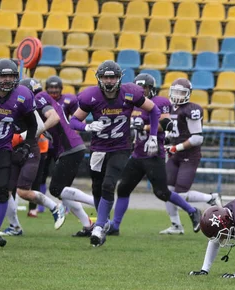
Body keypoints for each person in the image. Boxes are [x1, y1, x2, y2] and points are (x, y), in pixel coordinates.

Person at [69, 60, 161, 247]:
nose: (109, 81)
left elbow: (154, 110)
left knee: (109, 184)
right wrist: (87, 126)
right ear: (99, 78)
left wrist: (153, 137)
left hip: (121, 146)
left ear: (119, 78)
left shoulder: (130, 92)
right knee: (97, 187)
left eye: (112, 77)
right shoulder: (90, 96)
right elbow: (73, 121)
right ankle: (104, 221)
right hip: (98, 147)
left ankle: (99, 226)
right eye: (105, 77)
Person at [106, 73, 201, 239]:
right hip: (137, 154)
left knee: (162, 192)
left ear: (151, 88)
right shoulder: (132, 104)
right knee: (123, 189)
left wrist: (144, 126)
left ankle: (193, 211)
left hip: (153, 154)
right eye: (138, 88)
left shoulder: (160, 102)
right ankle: (115, 226)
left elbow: (165, 125)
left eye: (144, 88)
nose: (141, 91)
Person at [0, 59, 39, 247]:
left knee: (3, 190)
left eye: (11, 76)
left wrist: (28, 144)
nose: (7, 80)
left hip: (1, 148)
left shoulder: (22, 95)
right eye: (4, 75)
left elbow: (32, 124)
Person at [0, 78, 66, 236]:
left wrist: (20, 137)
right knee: (6, 190)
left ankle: (55, 208)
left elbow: (40, 126)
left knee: (23, 191)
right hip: (14, 150)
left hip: (30, 149)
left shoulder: (31, 108)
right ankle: (14, 226)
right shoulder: (10, 103)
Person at [160, 78, 221, 235]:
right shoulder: (169, 108)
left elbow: (197, 138)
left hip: (189, 155)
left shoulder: (192, 109)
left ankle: (210, 198)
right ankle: (176, 225)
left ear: (188, 94)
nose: (178, 96)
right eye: (175, 92)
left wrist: (176, 147)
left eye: (182, 92)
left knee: (180, 194)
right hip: (174, 155)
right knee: (166, 190)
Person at [28, 76, 77, 215]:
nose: (54, 90)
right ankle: (40, 206)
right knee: (40, 175)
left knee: (63, 176)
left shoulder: (68, 101)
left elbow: (77, 118)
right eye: (51, 87)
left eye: (56, 88)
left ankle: (65, 205)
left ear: (61, 88)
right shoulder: (41, 101)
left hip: (61, 144)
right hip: (45, 144)